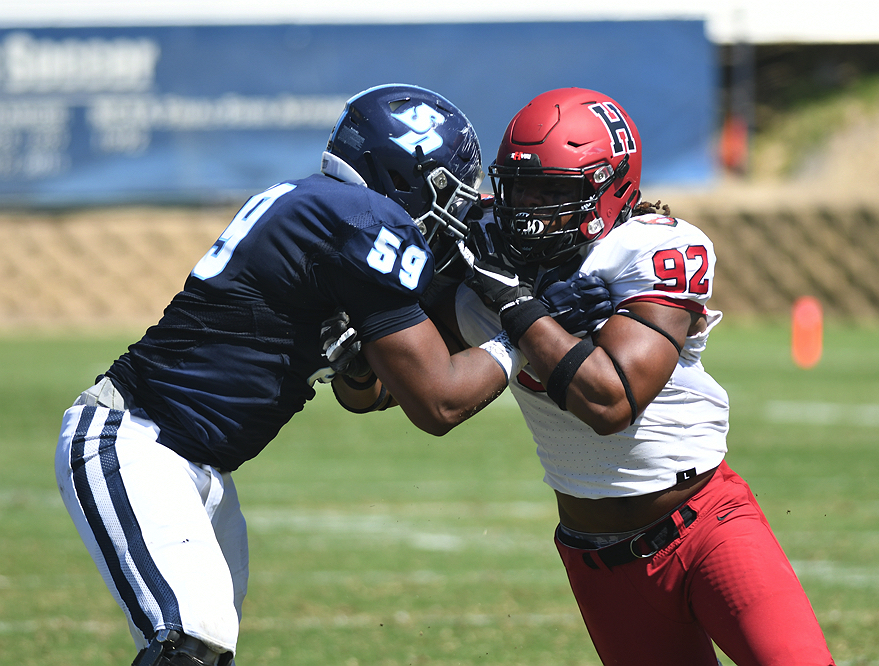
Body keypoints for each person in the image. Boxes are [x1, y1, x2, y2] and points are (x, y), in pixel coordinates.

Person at [53, 83, 548, 666]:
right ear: (413, 176)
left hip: (194, 460)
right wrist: (525, 326)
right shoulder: (364, 219)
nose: (462, 208)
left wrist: (359, 360)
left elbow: (358, 391)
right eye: (453, 189)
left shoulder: (328, 207)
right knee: (190, 645)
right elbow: (437, 402)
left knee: (201, 651)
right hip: (137, 444)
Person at [443, 88, 838, 665]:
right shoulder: (479, 252)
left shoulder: (649, 247)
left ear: (611, 186)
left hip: (707, 526)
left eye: (554, 190)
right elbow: (392, 391)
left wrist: (519, 308)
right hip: (598, 555)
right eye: (519, 186)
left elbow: (611, 402)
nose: (529, 207)